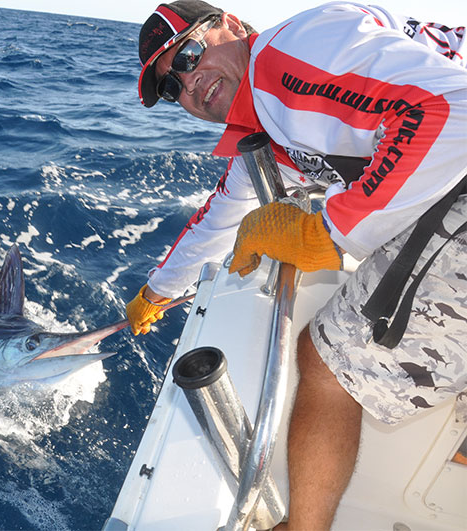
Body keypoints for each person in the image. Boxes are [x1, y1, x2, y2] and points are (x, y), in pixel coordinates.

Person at [126, 1, 467, 528]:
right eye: (172, 87)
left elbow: (452, 109)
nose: (189, 83)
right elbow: (219, 218)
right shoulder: (265, 120)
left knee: (329, 357)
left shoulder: (295, 55)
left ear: (231, 26)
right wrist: (158, 292)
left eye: (189, 54)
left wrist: (328, 232)